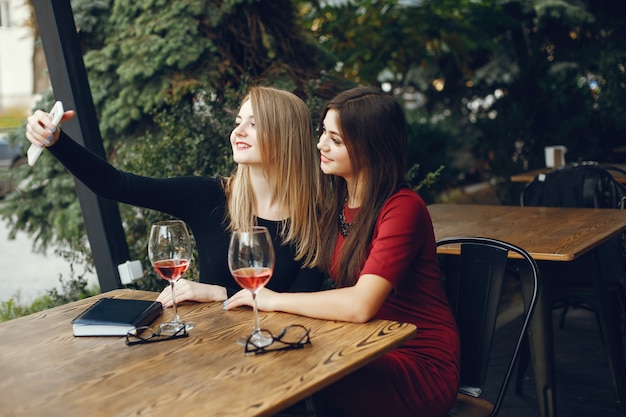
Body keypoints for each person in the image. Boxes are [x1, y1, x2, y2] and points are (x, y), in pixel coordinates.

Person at [225, 86, 461, 417]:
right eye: (323, 132)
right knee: (271, 364)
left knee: (290, 374)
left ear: (370, 147)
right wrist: (217, 292)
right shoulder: (336, 205)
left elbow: (360, 304)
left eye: (335, 140)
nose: (320, 144)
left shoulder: (403, 208)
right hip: (363, 346)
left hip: (415, 361)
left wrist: (270, 299)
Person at [25, 86, 324, 306]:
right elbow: (116, 184)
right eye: (237, 122)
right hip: (211, 354)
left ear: (286, 137)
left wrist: (219, 293)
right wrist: (57, 142)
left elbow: (303, 302)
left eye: (254, 124)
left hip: (283, 357)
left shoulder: (315, 215)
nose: (239, 132)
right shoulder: (210, 197)